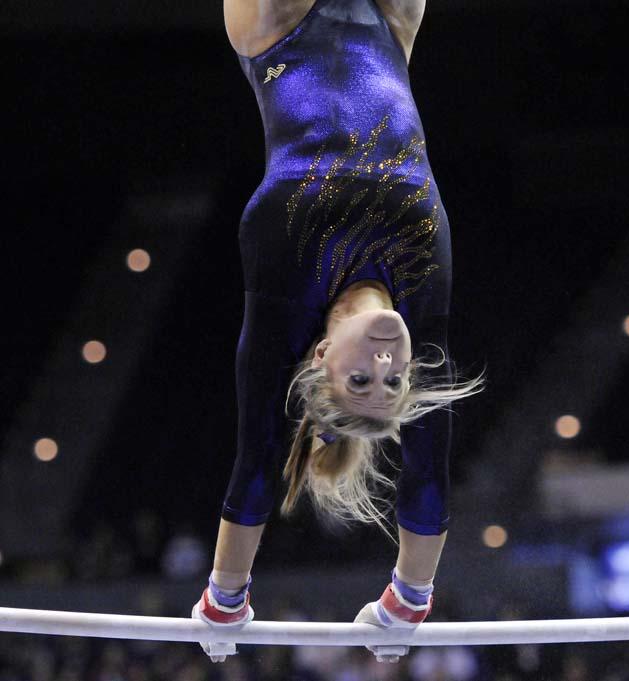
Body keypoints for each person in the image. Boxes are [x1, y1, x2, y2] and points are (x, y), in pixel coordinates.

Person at [192, 0, 485, 663]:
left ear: (321, 356)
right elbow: (429, 467)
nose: (385, 364)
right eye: (395, 381)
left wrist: (225, 597)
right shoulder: (423, 284)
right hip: (386, 33)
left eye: (361, 380)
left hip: (279, 38)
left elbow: (259, 454)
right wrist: (407, 596)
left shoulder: (285, 282)